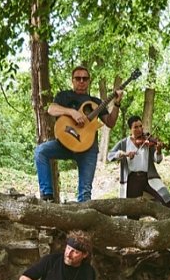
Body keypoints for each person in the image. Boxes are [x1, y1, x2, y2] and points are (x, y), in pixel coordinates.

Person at [34, 66, 122, 202]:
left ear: (89, 81)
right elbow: (51, 109)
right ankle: (47, 196)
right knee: (41, 151)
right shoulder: (63, 96)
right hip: (64, 144)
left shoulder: (96, 103)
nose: (81, 81)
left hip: (88, 148)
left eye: (85, 78)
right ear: (73, 80)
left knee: (85, 192)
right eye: (78, 78)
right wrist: (72, 112)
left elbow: (110, 122)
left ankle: (81, 218)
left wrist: (117, 103)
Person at [107, 115, 170, 208]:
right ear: (130, 129)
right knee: (133, 210)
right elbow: (109, 156)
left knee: (166, 200)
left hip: (148, 178)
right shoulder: (124, 143)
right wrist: (125, 154)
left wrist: (158, 150)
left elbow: (157, 160)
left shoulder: (147, 141)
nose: (139, 129)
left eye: (140, 126)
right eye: (136, 127)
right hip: (132, 180)